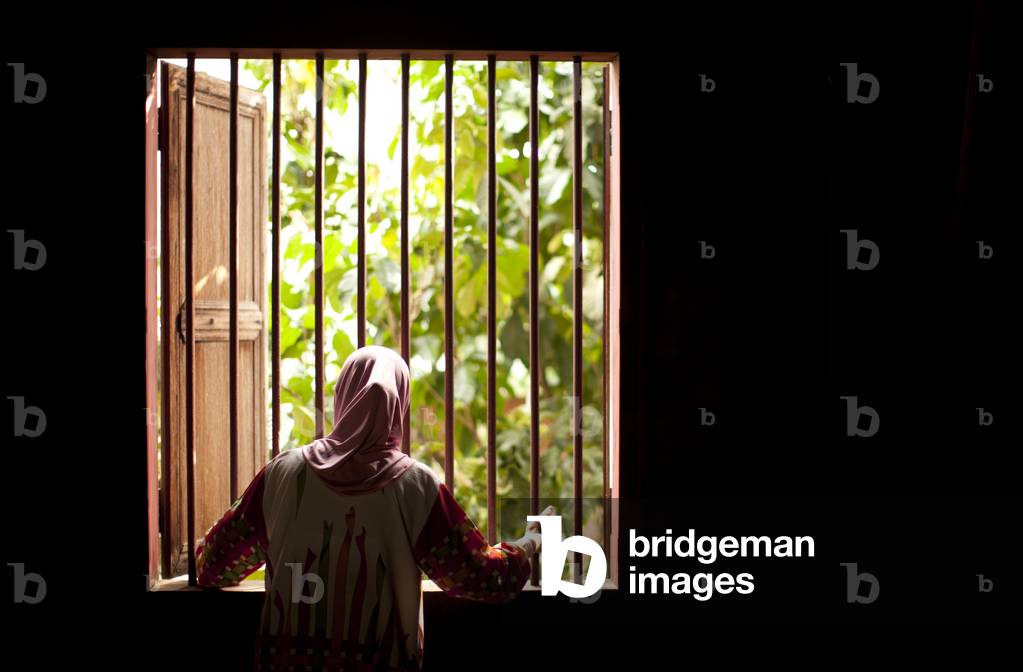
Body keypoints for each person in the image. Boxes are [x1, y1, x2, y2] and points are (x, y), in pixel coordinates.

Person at [195, 345, 553, 671]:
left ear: (343, 398)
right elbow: (484, 577)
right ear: (401, 406)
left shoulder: (282, 474)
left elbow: (212, 565)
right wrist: (529, 543)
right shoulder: (417, 487)